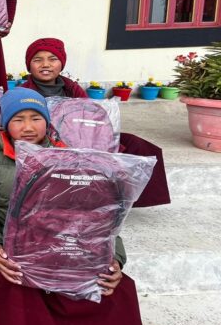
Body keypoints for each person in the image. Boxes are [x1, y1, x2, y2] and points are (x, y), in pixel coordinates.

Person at [0, 88, 142, 325]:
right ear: (6, 124)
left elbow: (99, 213)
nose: (29, 127)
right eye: (18, 119)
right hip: (19, 246)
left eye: (36, 118)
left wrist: (114, 260)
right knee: (21, 286)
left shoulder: (68, 155)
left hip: (67, 242)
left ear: (48, 122)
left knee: (110, 289)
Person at [21, 37, 170, 207]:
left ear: (61, 64)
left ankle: (124, 202)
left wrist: (102, 135)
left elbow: (92, 114)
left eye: (52, 59)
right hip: (43, 141)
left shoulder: (71, 88)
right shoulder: (23, 91)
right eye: (37, 60)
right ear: (29, 65)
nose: (45, 65)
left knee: (134, 144)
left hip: (81, 137)